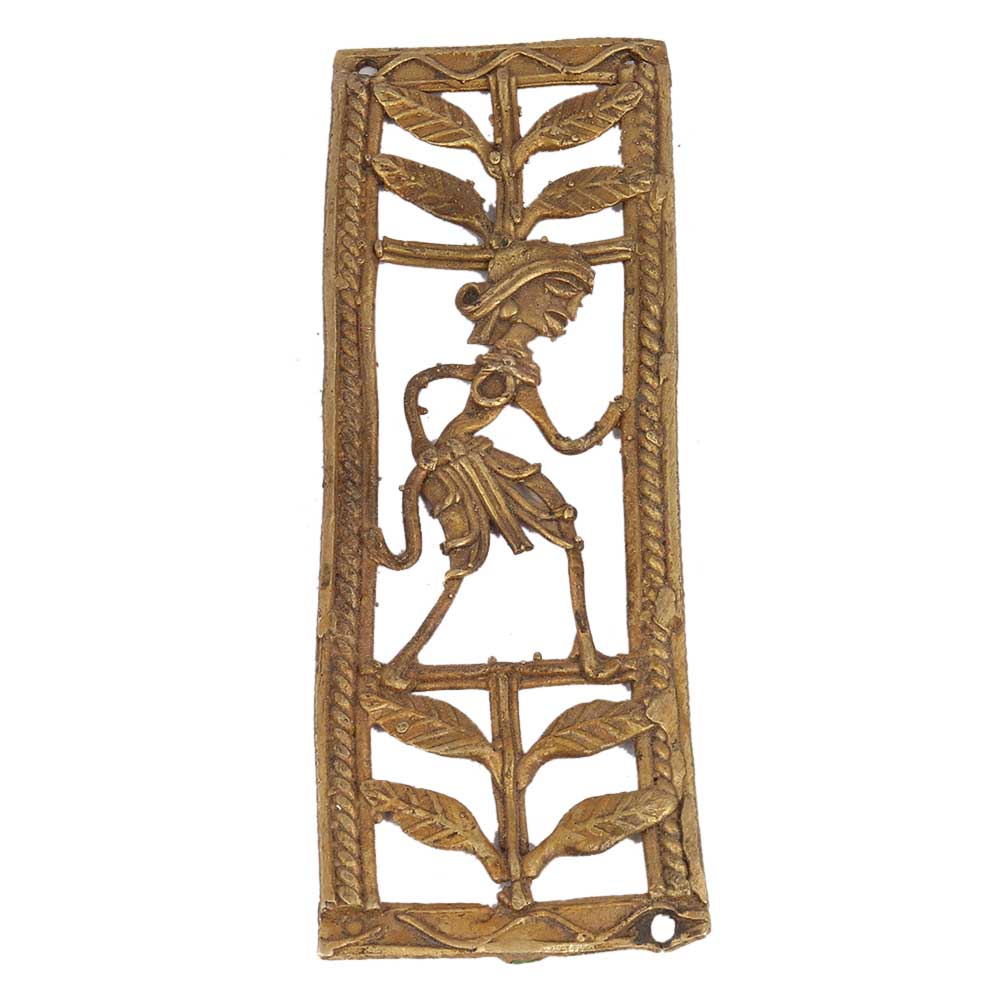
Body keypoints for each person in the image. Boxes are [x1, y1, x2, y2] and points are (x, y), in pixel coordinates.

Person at [368, 240, 625, 687]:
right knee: (468, 560)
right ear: (517, 294)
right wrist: (611, 420)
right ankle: (401, 663)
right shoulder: (505, 370)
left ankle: (586, 651)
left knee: (559, 533)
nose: (571, 311)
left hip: (469, 460)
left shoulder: (511, 366)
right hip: (459, 467)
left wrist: (422, 441)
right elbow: (561, 443)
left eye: (577, 301)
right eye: (561, 292)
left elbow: (421, 383)